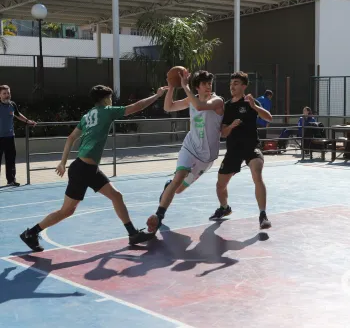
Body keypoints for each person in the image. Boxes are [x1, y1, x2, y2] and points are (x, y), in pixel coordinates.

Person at [20, 85, 168, 252]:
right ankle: (31, 233)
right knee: (66, 211)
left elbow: (70, 138)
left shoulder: (87, 115)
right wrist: (157, 95)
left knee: (116, 196)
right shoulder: (107, 110)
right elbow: (136, 107)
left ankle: (132, 234)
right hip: (83, 169)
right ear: (105, 99)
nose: (111, 100)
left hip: (86, 168)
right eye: (110, 97)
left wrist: (62, 162)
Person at [146, 70, 224, 233]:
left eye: (210, 83)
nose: (208, 86)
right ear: (197, 87)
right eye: (204, 84)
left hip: (206, 157)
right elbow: (168, 107)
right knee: (178, 178)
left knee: (179, 189)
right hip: (190, 147)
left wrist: (185, 86)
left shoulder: (217, 101)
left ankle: (170, 185)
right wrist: (172, 87)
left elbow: (200, 106)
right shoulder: (191, 99)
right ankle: (159, 217)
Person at [210, 72, 273, 229]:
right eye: (231, 84)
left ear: (244, 86)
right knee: (220, 185)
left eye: (236, 83)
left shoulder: (251, 102)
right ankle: (224, 208)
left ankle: (263, 215)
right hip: (233, 150)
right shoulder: (228, 107)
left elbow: (269, 118)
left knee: (257, 174)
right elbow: (223, 133)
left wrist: (254, 106)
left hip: (251, 147)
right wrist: (231, 126)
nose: (232, 86)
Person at [0, 85, 36, 186]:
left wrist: (28, 121)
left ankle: (11, 180)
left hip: (10, 137)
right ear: (0, 95)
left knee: (11, 159)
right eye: (4, 93)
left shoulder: (12, 104)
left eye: (8, 93)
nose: (7, 95)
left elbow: (18, 114)